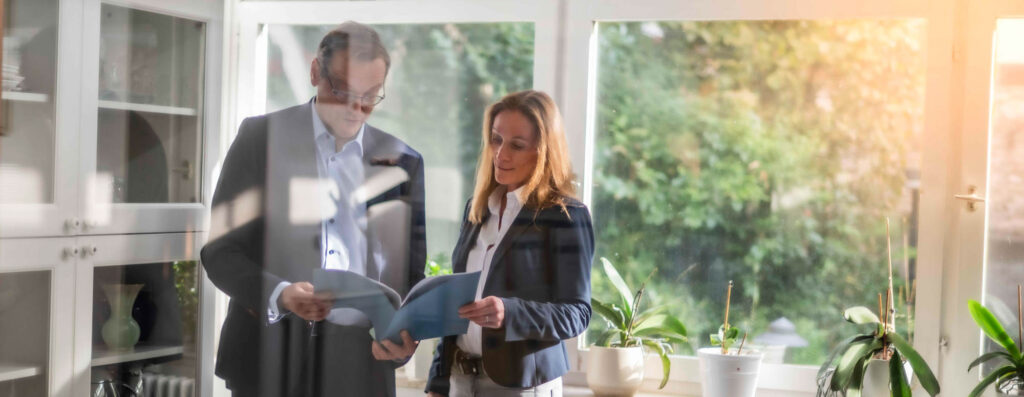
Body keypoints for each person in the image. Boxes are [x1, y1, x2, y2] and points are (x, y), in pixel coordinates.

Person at [202, 21, 426, 397]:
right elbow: (220, 252)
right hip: (267, 354)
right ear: (314, 73)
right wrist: (282, 294)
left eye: (371, 95)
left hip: (362, 361)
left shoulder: (403, 162)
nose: (357, 109)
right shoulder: (260, 139)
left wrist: (406, 332)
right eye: (342, 91)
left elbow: (409, 273)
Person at [425, 90, 594, 397]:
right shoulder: (476, 209)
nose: (500, 154)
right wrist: (437, 381)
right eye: (495, 139)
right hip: (460, 380)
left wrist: (509, 312)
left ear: (543, 151)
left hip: (521, 385)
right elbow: (457, 304)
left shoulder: (566, 216)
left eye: (517, 145)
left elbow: (577, 313)